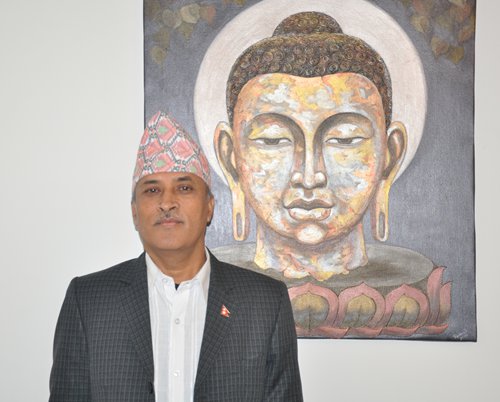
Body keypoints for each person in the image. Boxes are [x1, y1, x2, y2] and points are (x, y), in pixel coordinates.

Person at [49, 111, 303, 401]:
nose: (167, 202)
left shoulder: (264, 303)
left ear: (209, 207)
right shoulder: (90, 301)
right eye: (152, 189)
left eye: (184, 188)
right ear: (135, 212)